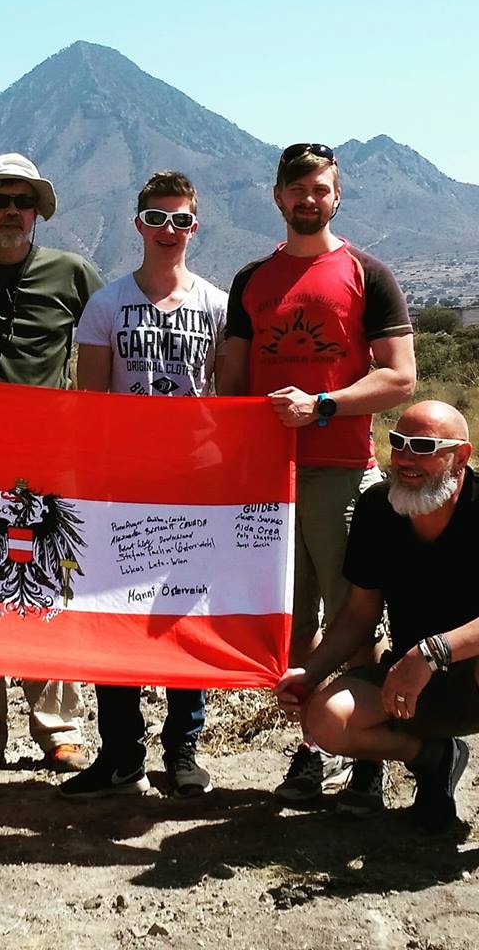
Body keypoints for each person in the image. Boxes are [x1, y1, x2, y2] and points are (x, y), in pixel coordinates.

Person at [218, 143, 416, 804]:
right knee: (293, 624)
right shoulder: (252, 280)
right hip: (269, 486)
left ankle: (366, 762)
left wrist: (324, 405)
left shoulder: (368, 272)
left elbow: (399, 376)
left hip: (340, 474)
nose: (309, 199)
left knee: (353, 618)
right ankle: (310, 749)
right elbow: (235, 382)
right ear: (278, 197)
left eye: (321, 189)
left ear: (337, 196)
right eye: (297, 189)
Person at [0, 152, 104, 774]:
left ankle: (59, 728)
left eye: (23, 201)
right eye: (1, 200)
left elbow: (104, 344)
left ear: (38, 212)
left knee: (46, 585)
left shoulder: (74, 273)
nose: (12, 211)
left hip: (50, 463)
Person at [60, 171, 226, 799]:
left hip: (193, 486)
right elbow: (92, 403)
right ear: (138, 224)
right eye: (156, 218)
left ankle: (183, 749)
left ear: (195, 226)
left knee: (184, 614)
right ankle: (121, 752)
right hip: (121, 487)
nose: (168, 230)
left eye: (180, 219)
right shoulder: (104, 305)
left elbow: (227, 400)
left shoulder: (214, 304)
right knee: (117, 617)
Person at [276, 401, 475, 831]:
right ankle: (435, 760)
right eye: (398, 443)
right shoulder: (378, 508)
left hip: (460, 669)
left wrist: (433, 652)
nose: (403, 458)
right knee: (327, 719)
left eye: (422, 447)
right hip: (406, 683)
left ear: (461, 456)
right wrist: (308, 675)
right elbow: (359, 616)